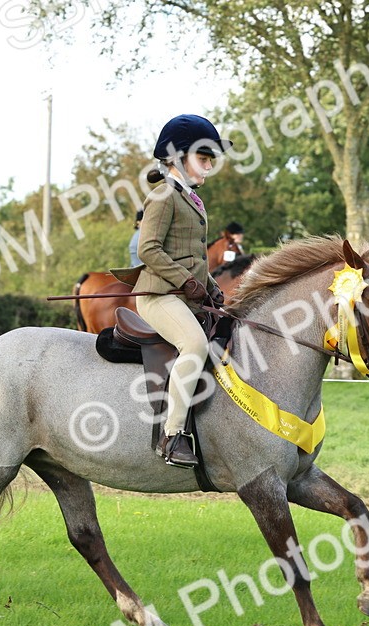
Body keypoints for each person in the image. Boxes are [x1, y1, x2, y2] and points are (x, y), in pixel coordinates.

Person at [133, 114, 228, 468]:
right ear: (177, 158)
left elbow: (194, 257)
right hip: (158, 295)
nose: (208, 167)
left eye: (209, 161)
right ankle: (171, 436)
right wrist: (185, 281)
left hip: (184, 293)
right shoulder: (163, 196)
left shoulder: (190, 198)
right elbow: (149, 250)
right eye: (203, 159)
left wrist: (213, 288)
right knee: (195, 344)